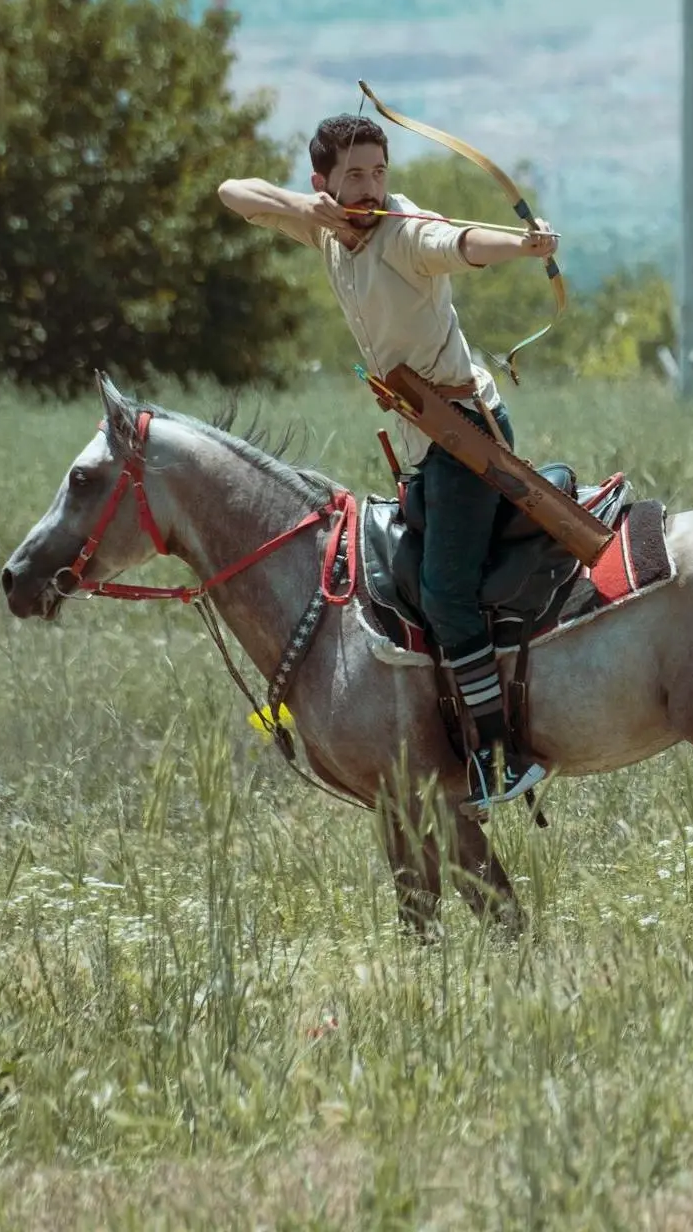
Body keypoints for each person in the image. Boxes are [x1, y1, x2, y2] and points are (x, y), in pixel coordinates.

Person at [218, 113, 558, 811]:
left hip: (464, 434)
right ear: (325, 184)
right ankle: (448, 725)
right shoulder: (326, 228)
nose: (372, 188)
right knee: (408, 580)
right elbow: (232, 191)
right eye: (355, 177)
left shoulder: (404, 235)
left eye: (379, 172)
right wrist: (306, 209)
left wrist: (523, 246)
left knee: (444, 593)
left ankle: (498, 753)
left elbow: (458, 242)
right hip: (419, 441)